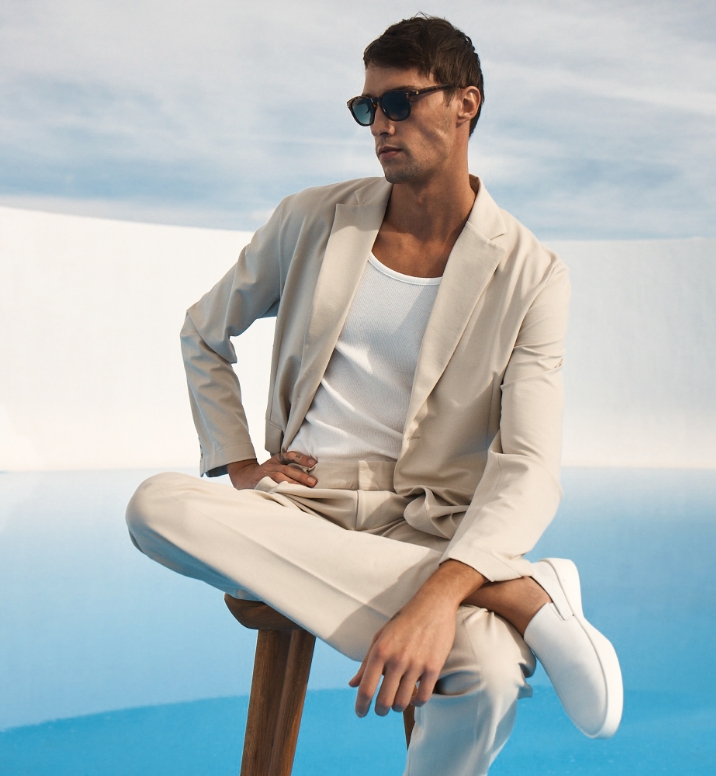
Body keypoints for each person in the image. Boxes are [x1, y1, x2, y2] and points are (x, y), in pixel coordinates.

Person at [126, 15, 622, 775]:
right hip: (301, 503)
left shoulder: (532, 273)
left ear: (466, 105)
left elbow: (527, 463)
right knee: (157, 507)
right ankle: (520, 595)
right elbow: (203, 333)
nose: (378, 126)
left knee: (484, 679)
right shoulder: (311, 219)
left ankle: (478, 587)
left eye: (399, 103)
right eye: (366, 109)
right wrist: (237, 462)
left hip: (427, 522)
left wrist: (436, 594)